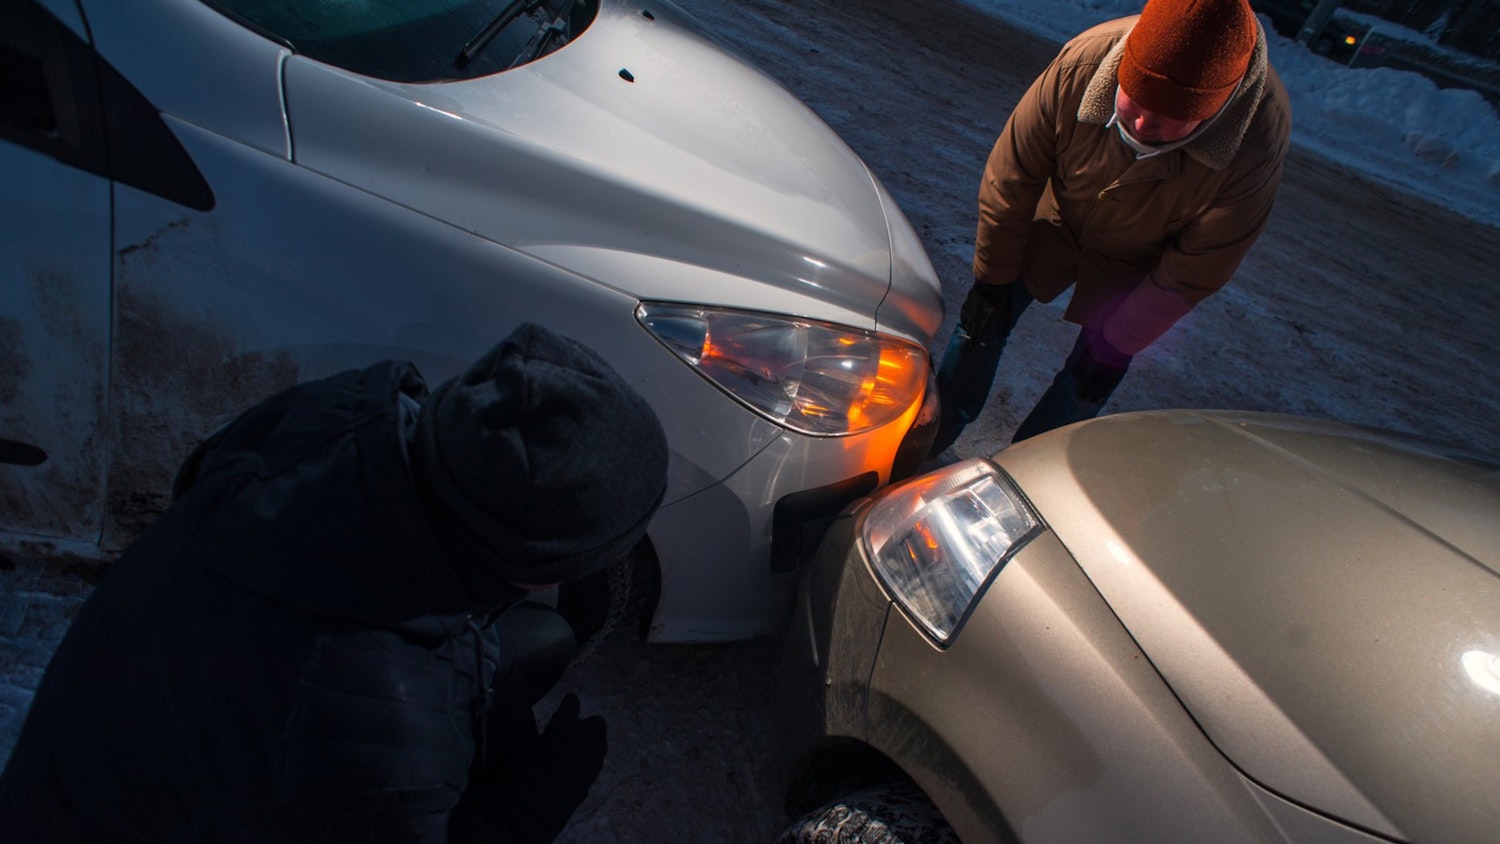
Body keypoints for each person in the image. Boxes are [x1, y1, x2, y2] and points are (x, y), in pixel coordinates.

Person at [0, 322, 670, 843]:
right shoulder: (368, 728)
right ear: (529, 560)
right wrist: (537, 797)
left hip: (128, 745)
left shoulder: (341, 420)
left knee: (536, 642)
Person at [929, 0, 1292, 453]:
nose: (1141, 122)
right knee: (982, 324)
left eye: (1167, 118)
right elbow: (1013, 177)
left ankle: (1025, 475)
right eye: (1134, 100)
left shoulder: (1255, 140)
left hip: (1142, 262)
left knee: (1089, 377)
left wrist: (1120, 343)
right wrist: (992, 281)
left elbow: (1199, 267)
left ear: (1212, 112)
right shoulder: (1084, 62)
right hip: (1056, 218)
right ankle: (930, 436)